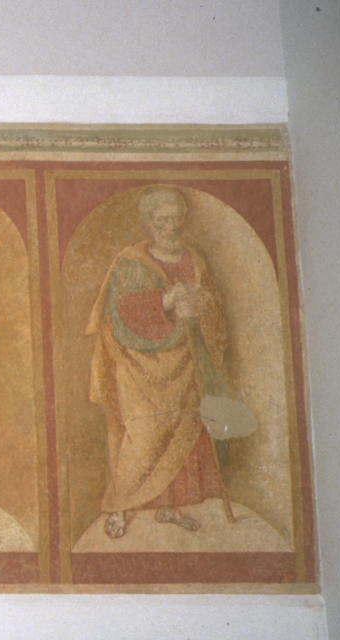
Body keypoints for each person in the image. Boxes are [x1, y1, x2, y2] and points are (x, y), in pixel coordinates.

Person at [87, 185, 228, 539]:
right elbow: (119, 314)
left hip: (185, 362)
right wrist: (164, 301)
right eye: (162, 220)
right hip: (138, 366)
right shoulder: (131, 262)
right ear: (149, 223)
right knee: (144, 436)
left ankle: (168, 504)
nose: (171, 226)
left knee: (181, 430)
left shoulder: (195, 260)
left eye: (176, 218)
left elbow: (213, 304)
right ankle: (120, 507)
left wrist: (199, 305)